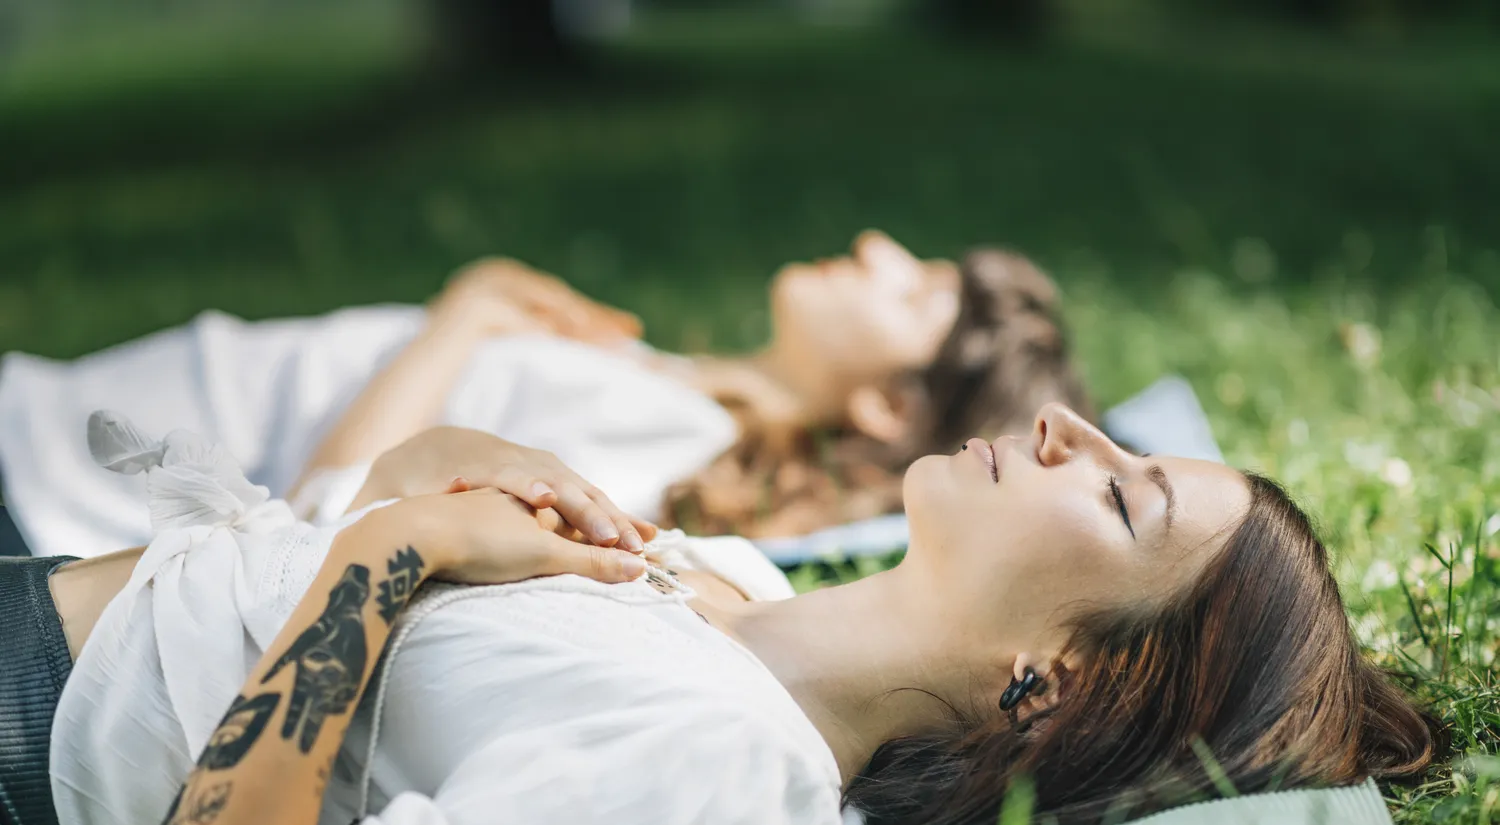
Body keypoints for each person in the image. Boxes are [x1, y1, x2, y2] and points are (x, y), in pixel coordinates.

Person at [4, 402, 1434, 825]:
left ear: (1060, 685)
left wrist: (394, 557)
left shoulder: (722, 786)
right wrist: (434, 476)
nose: (1069, 426)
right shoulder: (725, 580)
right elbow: (348, 553)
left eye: (1119, 494)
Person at [0, 231, 1091, 556]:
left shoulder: (672, 442)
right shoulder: (672, 385)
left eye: (915, 292)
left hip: (52, 494)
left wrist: (463, 313)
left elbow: (325, 520)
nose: (876, 246)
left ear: (890, 412)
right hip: (49, 429)